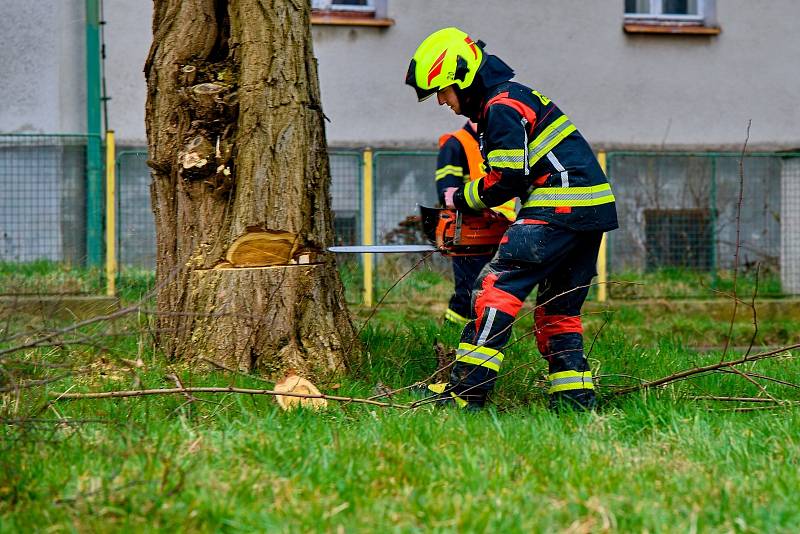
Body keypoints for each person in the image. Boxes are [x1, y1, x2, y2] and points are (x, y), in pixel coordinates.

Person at [406, 27, 618, 411]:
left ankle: (465, 393)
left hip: (559, 205)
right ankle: (574, 400)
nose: (441, 101)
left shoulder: (501, 106)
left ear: (465, 78)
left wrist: (462, 200)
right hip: (589, 210)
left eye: (443, 90)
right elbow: (519, 176)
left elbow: (506, 179)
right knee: (558, 309)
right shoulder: (513, 99)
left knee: (493, 290)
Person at [435, 120, 517, 327]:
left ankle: (484, 330)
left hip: (502, 229)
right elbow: (447, 193)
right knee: (468, 291)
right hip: (470, 233)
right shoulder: (456, 143)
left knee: (494, 289)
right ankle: (453, 330)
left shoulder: (497, 143)